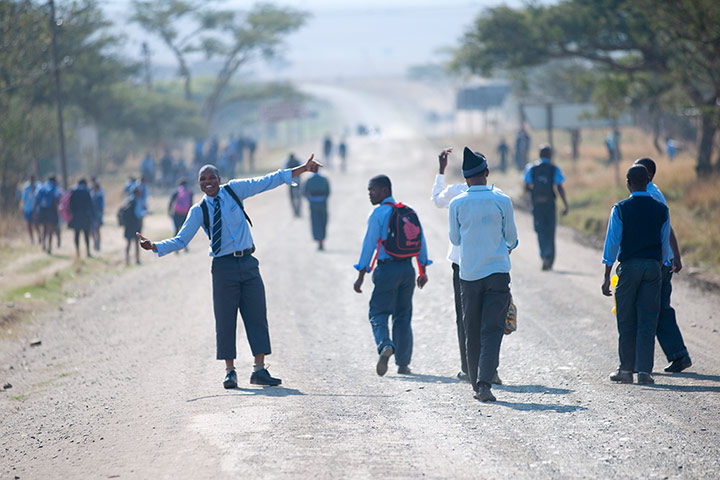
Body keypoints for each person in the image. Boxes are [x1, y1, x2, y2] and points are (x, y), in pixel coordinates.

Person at [137, 154, 322, 389]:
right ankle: (230, 371)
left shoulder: (235, 190)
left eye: (211, 177)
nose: (208, 182)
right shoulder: (199, 210)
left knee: (257, 315)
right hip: (223, 267)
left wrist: (302, 169)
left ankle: (259, 370)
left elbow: (268, 180)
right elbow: (182, 240)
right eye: (203, 179)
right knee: (225, 319)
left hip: (248, 262)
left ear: (219, 178)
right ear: (199, 183)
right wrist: (154, 246)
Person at [449, 148, 518, 402]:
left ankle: (476, 383)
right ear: (486, 173)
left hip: (469, 275)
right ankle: (485, 383)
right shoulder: (502, 200)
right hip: (498, 273)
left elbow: (454, 239)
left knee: (472, 328)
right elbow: (512, 238)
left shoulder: (457, 203)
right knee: (492, 328)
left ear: (465, 177)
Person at [431, 148, 502, 385]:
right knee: (491, 319)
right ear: (486, 172)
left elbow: (437, 199)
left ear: (465, 175)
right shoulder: (498, 196)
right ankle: (490, 370)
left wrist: (441, 171)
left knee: (466, 318)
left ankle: (469, 368)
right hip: (492, 264)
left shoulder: (456, 195)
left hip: (463, 266)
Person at [353, 175, 431, 376]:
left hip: (386, 269)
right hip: (407, 270)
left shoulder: (378, 213)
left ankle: (385, 345)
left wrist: (361, 274)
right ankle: (403, 364)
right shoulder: (407, 212)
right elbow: (420, 241)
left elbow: (369, 245)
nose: (370, 194)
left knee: (378, 313)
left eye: (373, 190)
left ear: (385, 190)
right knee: (403, 316)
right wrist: (423, 270)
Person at [602, 164, 670, 385]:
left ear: (628, 183)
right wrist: (657, 265)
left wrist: (606, 275)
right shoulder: (661, 208)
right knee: (648, 320)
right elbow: (664, 243)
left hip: (629, 267)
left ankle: (626, 370)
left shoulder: (620, 208)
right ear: (647, 181)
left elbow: (612, 244)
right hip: (652, 267)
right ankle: (644, 372)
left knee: (626, 318)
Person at [633, 157, 691, 373]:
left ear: (649, 175)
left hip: (657, 263)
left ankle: (674, 356)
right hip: (658, 261)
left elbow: (665, 228)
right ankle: (678, 355)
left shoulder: (652, 195)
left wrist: (672, 257)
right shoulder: (646, 193)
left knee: (654, 310)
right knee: (659, 310)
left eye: (639, 169)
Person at [524, 145, 569, 270]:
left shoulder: (531, 168)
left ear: (539, 155)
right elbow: (559, 187)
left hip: (537, 205)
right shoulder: (554, 169)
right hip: (550, 205)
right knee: (550, 231)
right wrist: (565, 204)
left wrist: (530, 199)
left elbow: (527, 186)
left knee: (540, 230)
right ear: (550, 155)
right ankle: (550, 256)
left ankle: (544, 255)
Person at [303, 170, 330, 250]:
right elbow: (328, 192)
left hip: (313, 203)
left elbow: (304, 192)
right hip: (322, 203)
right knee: (323, 221)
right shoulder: (324, 179)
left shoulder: (308, 180)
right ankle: (322, 240)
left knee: (315, 222)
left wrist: (310, 199)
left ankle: (319, 240)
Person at [35, 175, 61, 254]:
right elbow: (56, 200)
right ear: (54, 181)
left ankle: (43, 243)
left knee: (44, 228)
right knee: (50, 229)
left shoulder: (41, 186)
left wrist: (35, 211)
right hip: (50, 210)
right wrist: (57, 212)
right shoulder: (54, 187)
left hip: (41, 210)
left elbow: (36, 198)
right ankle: (49, 247)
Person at [68, 178, 94, 258]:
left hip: (75, 216)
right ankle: (88, 251)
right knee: (86, 234)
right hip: (85, 216)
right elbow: (90, 205)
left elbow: (70, 205)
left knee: (76, 234)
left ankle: (77, 252)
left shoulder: (73, 191)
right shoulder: (86, 191)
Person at [122, 186, 145, 266]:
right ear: (137, 193)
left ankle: (127, 260)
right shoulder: (137, 201)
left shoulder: (127, 200)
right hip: (135, 225)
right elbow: (138, 214)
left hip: (128, 225)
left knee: (128, 243)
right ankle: (137, 259)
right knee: (136, 243)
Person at [20, 175, 40, 244]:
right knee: (29, 225)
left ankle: (39, 236)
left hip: (35, 209)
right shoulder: (26, 188)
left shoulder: (38, 187)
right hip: (27, 209)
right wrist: (22, 208)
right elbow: (23, 199)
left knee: (36, 224)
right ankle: (32, 239)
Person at [285, 153, 302, 217]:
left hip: (291, 182)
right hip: (297, 182)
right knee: (298, 197)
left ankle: (295, 211)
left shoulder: (287, 162)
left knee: (292, 198)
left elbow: (284, 171)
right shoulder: (297, 161)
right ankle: (298, 211)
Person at [90, 178, 104, 251]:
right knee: (92, 230)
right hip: (92, 216)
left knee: (97, 230)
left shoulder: (99, 196)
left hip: (97, 216)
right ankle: (94, 243)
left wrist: (98, 218)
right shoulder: (91, 195)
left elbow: (100, 208)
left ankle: (98, 244)